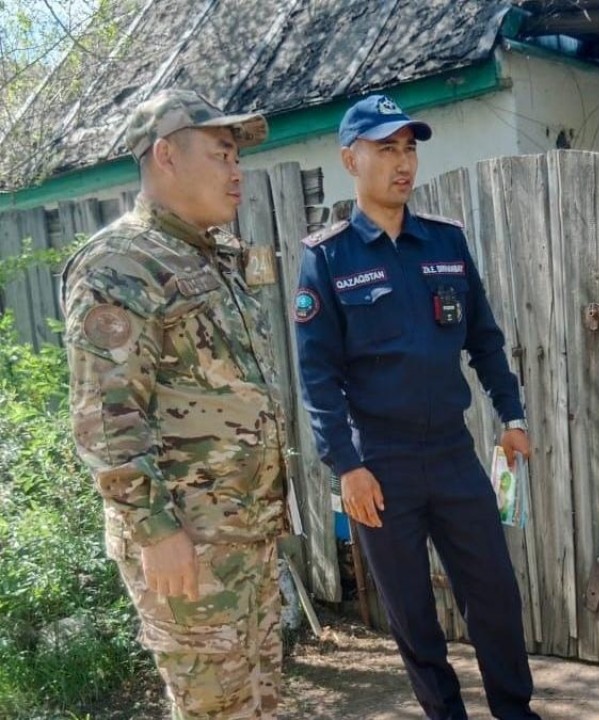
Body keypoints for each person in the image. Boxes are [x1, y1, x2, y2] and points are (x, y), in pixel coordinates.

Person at [293, 94, 541, 720]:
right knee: (413, 616)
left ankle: (516, 712)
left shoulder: (447, 244)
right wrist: (345, 466)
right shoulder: (329, 257)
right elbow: (318, 378)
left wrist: (511, 418)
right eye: (386, 149)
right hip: (380, 466)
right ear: (351, 160)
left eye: (409, 149)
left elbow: (484, 340)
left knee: (495, 599)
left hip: (454, 455)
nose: (403, 163)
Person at [62, 88, 287, 719]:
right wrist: (156, 530)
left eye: (237, 157)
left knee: (259, 699)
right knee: (213, 707)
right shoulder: (120, 262)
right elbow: (105, 417)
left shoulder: (208, 257)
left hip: (245, 536)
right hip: (188, 544)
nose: (237, 170)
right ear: (166, 155)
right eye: (221, 154)